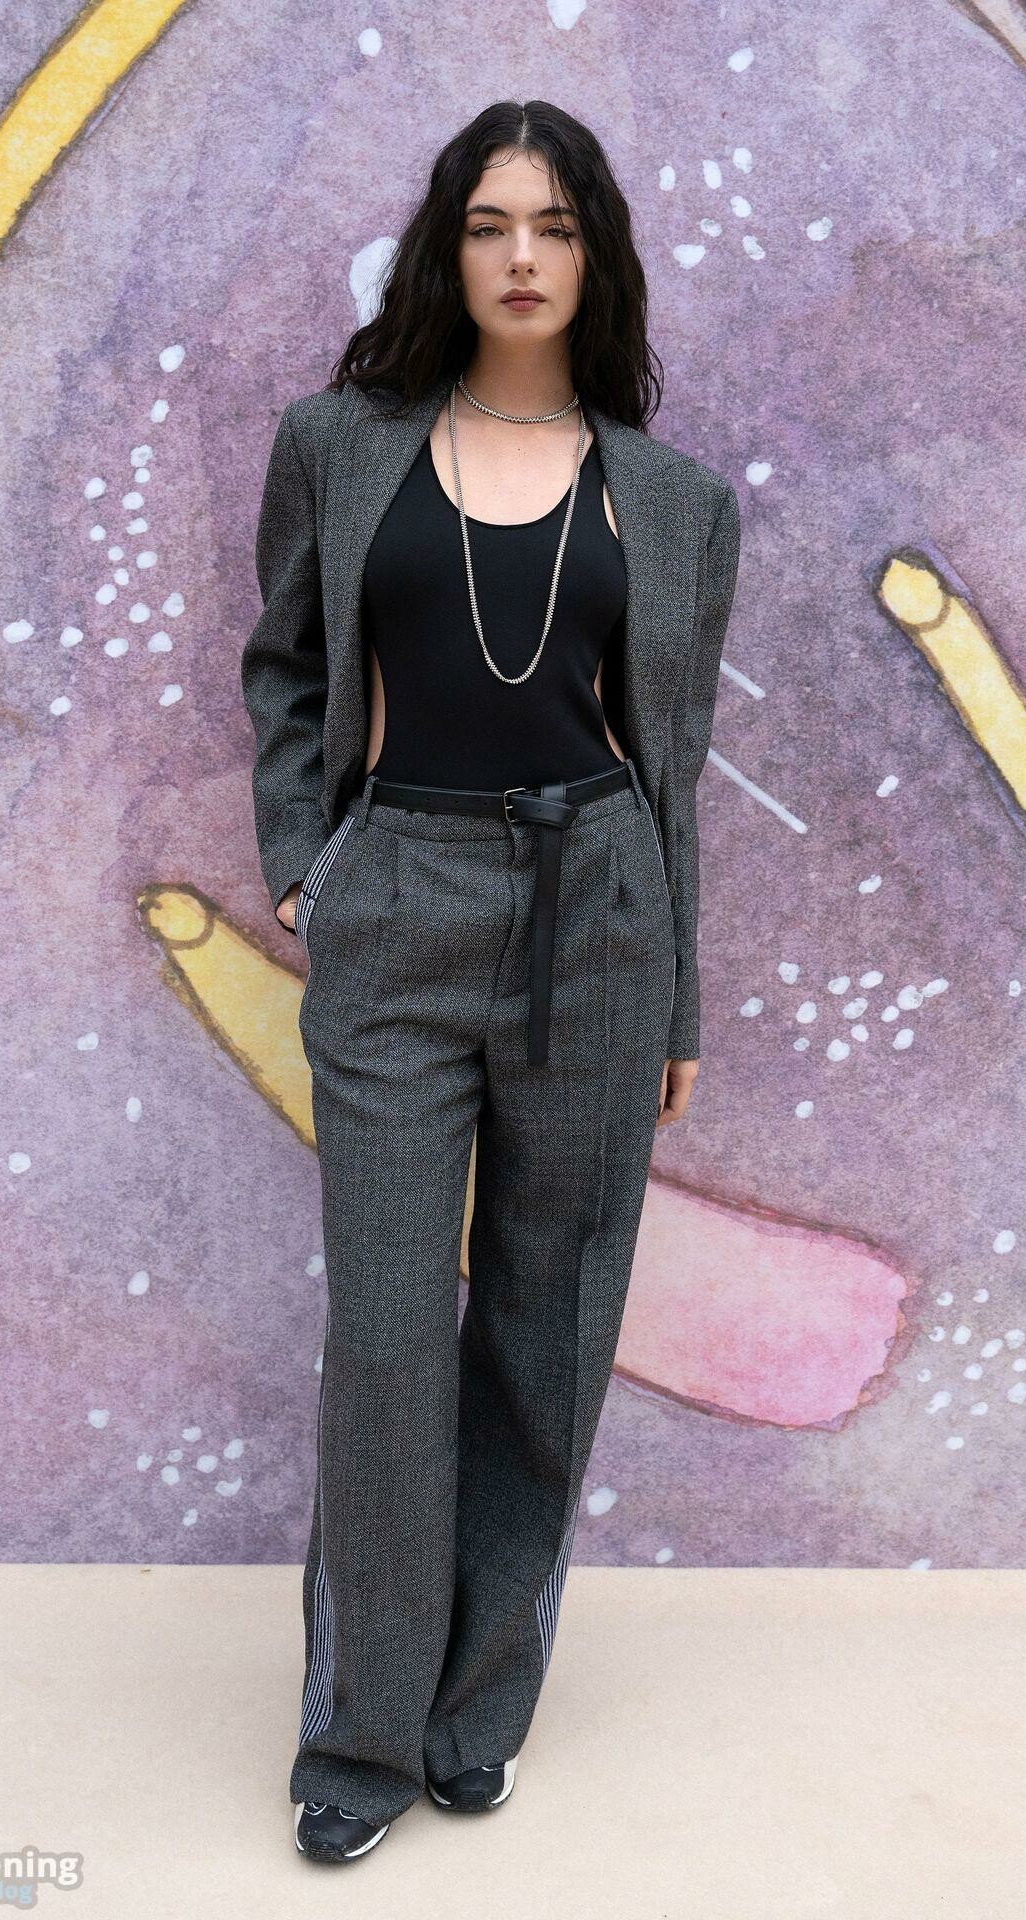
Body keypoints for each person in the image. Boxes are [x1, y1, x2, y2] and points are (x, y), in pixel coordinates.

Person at [239, 99, 740, 1865]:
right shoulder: (340, 444)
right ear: (446, 248)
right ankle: (360, 1733)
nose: (522, 258)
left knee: (550, 1325)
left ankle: (473, 1716)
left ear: (595, 257)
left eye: (556, 227)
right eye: (488, 224)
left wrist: (677, 1000)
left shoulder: (675, 502)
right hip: (399, 904)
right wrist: (304, 862)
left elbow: (673, 773)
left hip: (598, 907)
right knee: (388, 1338)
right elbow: (287, 669)